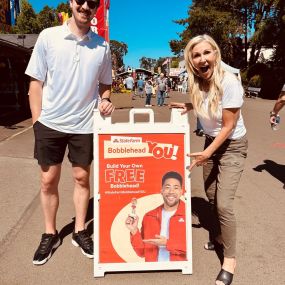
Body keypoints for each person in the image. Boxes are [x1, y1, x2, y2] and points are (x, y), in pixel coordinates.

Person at [25, 0, 114, 266]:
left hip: (83, 125)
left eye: (93, 2)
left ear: (97, 7)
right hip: (49, 124)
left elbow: (105, 84)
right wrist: (36, 122)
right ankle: (50, 233)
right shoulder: (48, 37)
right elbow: (36, 81)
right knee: (48, 180)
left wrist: (106, 99)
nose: (86, 6)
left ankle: (79, 231)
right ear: (71, 3)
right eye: (81, 0)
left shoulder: (102, 46)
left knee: (81, 179)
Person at [170, 35, 248, 285]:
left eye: (207, 53)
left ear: (215, 53)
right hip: (211, 143)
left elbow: (228, 126)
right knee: (211, 193)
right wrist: (189, 106)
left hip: (232, 145)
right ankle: (218, 235)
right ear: (190, 61)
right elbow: (206, 101)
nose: (202, 59)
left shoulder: (229, 81)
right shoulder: (196, 81)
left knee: (224, 204)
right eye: (196, 55)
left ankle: (230, 259)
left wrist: (207, 154)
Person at [125, 171, 186, 262]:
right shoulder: (149, 216)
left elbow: (192, 248)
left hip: (178, 271)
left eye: (176, 188)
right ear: (161, 191)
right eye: (167, 187)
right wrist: (134, 231)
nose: (171, 191)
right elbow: (141, 252)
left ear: (181, 191)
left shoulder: (188, 214)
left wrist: (167, 243)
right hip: (154, 272)